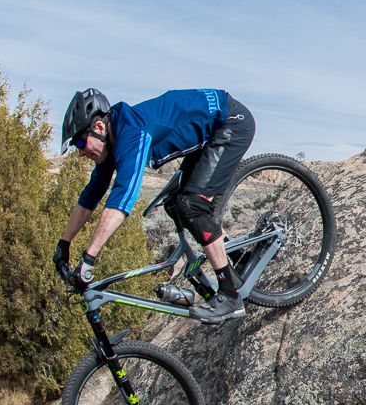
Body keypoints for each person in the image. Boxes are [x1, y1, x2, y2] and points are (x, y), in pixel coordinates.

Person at [54, 88, 256, 324]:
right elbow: (90, 196)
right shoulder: (112, 139)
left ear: (99, 128)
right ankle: (237, 256)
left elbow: (121, 201)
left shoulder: (132, 134)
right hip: (211, 130)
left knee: (191, 205)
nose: (80, 152)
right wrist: (64, 244)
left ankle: (230, 296)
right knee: (174, 203)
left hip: (231, 121)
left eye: (80, 142)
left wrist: (89, 259)